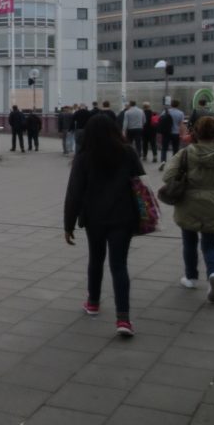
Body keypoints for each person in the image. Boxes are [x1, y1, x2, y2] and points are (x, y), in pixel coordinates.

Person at [64, 113, 144, 337]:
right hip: (123, 217)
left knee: (96, 259)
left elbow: (74, 193)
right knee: (119, 266)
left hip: (94, 218)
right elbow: (140, 181)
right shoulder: (128, 152)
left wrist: (68, 225)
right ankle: (123, 319)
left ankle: (93, 302)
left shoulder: (84, 157)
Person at [162, 116, 214, 302]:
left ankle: (191, 277)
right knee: (211, 245)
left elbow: (168, 176)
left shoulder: (185, 153)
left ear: (195, 132)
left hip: (188, 203)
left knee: (189, 241)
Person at [159, 99, 185, 170]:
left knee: (164, 148)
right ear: (178, 105)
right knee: (175, 149)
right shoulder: (180, 113)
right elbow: (181, 125)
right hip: (176, 133)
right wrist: (182, 134)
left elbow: (161, 121)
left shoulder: (165, 111)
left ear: (171, 104)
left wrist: (161, 133)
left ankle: (163, 161)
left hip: (166, 133)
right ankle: (174, 164)